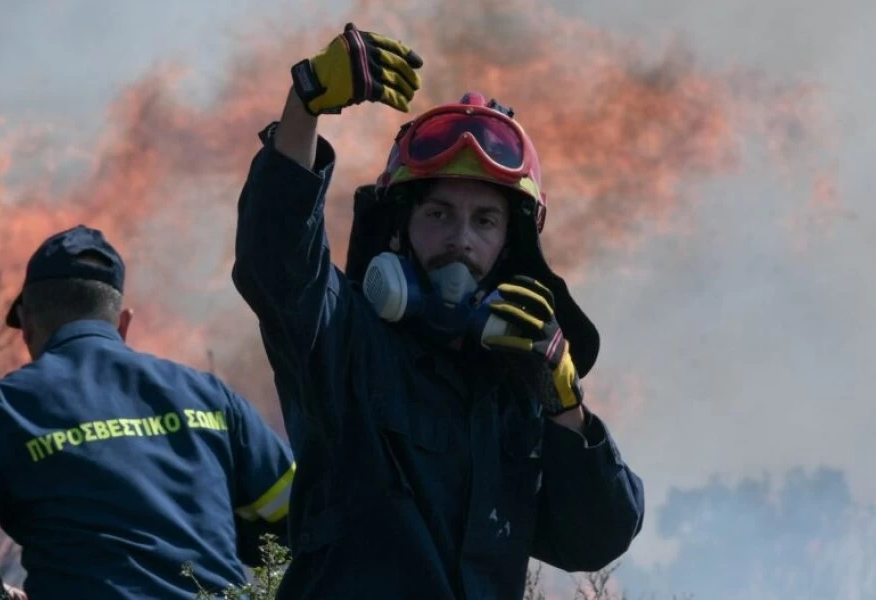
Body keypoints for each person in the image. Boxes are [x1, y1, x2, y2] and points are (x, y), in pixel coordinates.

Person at [230, 23, 646, 599]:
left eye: (485, 220)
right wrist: (306, 103)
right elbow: (275, 263)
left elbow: (595, 539)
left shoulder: (520, 395)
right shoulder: (343, 340)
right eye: (439, 214)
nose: (461, 240)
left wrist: (565, 406)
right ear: (399, 231)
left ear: (511, 245)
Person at [0, 225, 297, 599]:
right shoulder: (209, 396)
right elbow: (305, 517)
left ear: (25, 325)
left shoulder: (1, 411)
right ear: (124, 322)